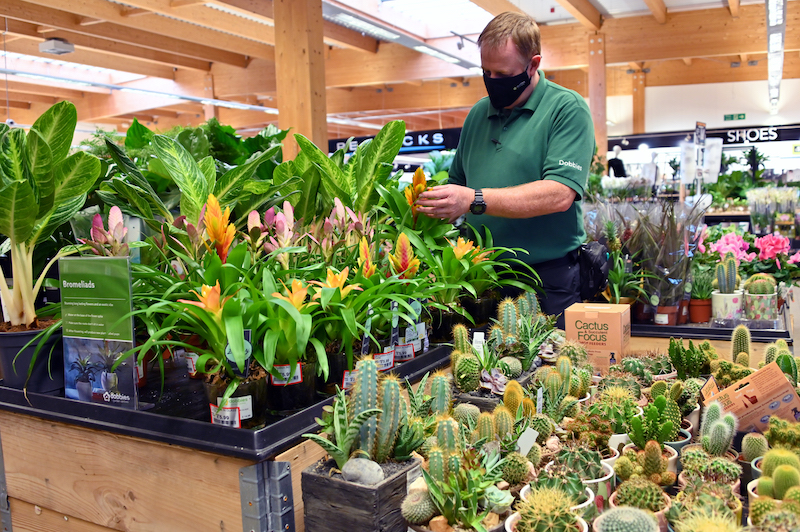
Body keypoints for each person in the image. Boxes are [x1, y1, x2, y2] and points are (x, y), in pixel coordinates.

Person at [416, 11, 594, 327]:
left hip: (546, 280)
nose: (492, 82)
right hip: (481, 278)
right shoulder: (477, 115)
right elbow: (457, 183)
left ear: (533, 64)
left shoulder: (567, 109)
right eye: (486, 71)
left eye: (503, 73)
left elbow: (559, 194)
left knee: (550, 372)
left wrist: (474, 199)